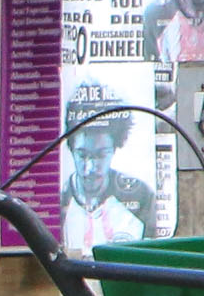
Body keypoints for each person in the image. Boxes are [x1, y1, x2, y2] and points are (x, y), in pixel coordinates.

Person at [63, 81, 159, 249]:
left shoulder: (141, 196)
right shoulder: (57, 202)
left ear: (115, 149)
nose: (90, 168)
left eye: (100, 155)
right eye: (82, 155)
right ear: (70, 149)